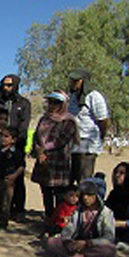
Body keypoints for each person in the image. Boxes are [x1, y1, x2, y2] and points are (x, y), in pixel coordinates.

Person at [0, 74, 31, 222]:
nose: (6, 88)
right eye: (4, 84)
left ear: (15, 86)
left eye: (9, 85)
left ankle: (18, 210)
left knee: (15, 180)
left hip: (16, 143)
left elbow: (24, 124)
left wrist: (15, 140)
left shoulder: (23, 103)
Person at [31, 91, 79, 222]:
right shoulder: (44, 119)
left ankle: (58, 221)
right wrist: (39, 152)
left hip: (59, 162)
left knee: (59, 194)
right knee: (45, 192)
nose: (53, 105)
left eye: (56, 103)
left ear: (63, 104)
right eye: (51, 102)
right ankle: (48, 218)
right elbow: (36, 136)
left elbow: (61, 141)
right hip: (43, 161)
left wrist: (44, 149)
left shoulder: (68, 121)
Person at [45, 179, 116, 257]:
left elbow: (109, 238)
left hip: (93, 245)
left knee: (109, 251)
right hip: (76, 243)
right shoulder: (78, 211)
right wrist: (68, 241)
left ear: (95, 196)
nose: (85, 198)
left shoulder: (106, 213)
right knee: (52, 242)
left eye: (89, 195)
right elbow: (69, 229)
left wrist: (88, 243)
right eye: (83, 195)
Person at [67, 69, 110, 183]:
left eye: (76, 80)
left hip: (88, 143)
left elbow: (103, 120)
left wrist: (101, 137)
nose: (73, 83)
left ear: (84, 81)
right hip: (74, 143)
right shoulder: (73, 97)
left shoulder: (94, 96)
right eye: (72, 80)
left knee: (84, 179)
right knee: (72, 178)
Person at [0, 127, 25, 230]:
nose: (3, 139)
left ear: (13, 140)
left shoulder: (16, 153)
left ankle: (3, 223)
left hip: (7, 181)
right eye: (2, 136)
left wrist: (14, 176)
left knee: (5, 203)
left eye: (6, 136)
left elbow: (21, 166)